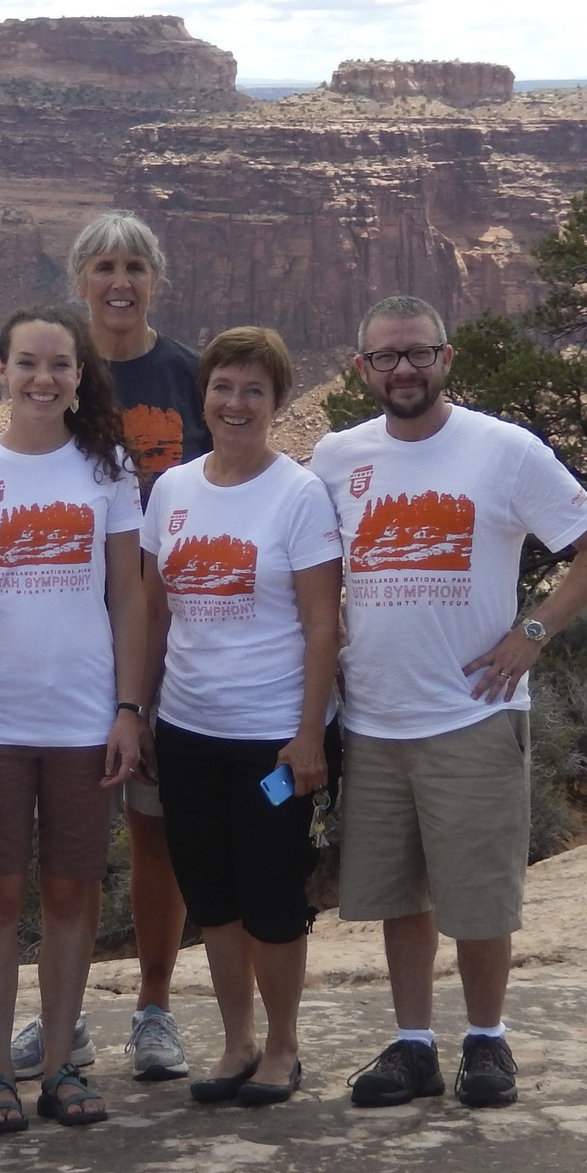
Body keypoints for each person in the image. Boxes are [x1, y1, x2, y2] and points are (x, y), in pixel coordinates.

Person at [308, 296, 587, 1110]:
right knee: (399, 892)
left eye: (419, 352)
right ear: (362, 369)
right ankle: (413, 1043)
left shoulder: (504, 449)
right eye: (387, 356)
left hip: (473, 711)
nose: (404, 369)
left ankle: (487, 1037)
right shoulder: (337, 456)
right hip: (374, 714)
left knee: (479, 893)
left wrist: (532, 632)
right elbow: (314, 569)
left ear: (446, 358)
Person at [0, 305, 148, 1134]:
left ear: (79, 376)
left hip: (85, 717)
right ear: (1, 371)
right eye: (27, 362)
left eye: (59, 364)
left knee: (70, 889)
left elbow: (128, 594)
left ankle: (61, 1064)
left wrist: (128, 708)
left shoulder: (109, 467)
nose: (42, 378)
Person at [139, 327, 342, 1107]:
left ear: (277, 401)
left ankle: (283, 1045)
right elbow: (156, 614)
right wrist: (142, 712)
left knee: (271, 894)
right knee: (212, 895)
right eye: (223, 386)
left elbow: (322, 624)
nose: (236, 403)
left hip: (272, 738)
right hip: (188, 730)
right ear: (204, 396)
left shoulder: (298, 494)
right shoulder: (172, 490)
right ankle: (236, 1041)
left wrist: (309, 733)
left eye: (254, 390)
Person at [44, 210, 211, 1087]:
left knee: (155, 831)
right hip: (71, 631)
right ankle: (60, 1016)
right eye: (104, 266)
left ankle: (154, 1006)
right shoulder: (59, 374)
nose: (120, 282)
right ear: (80, 280)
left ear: (156, 280)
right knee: (67, 838)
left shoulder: (189, 375)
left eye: (135, 267)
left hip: (174, 633)